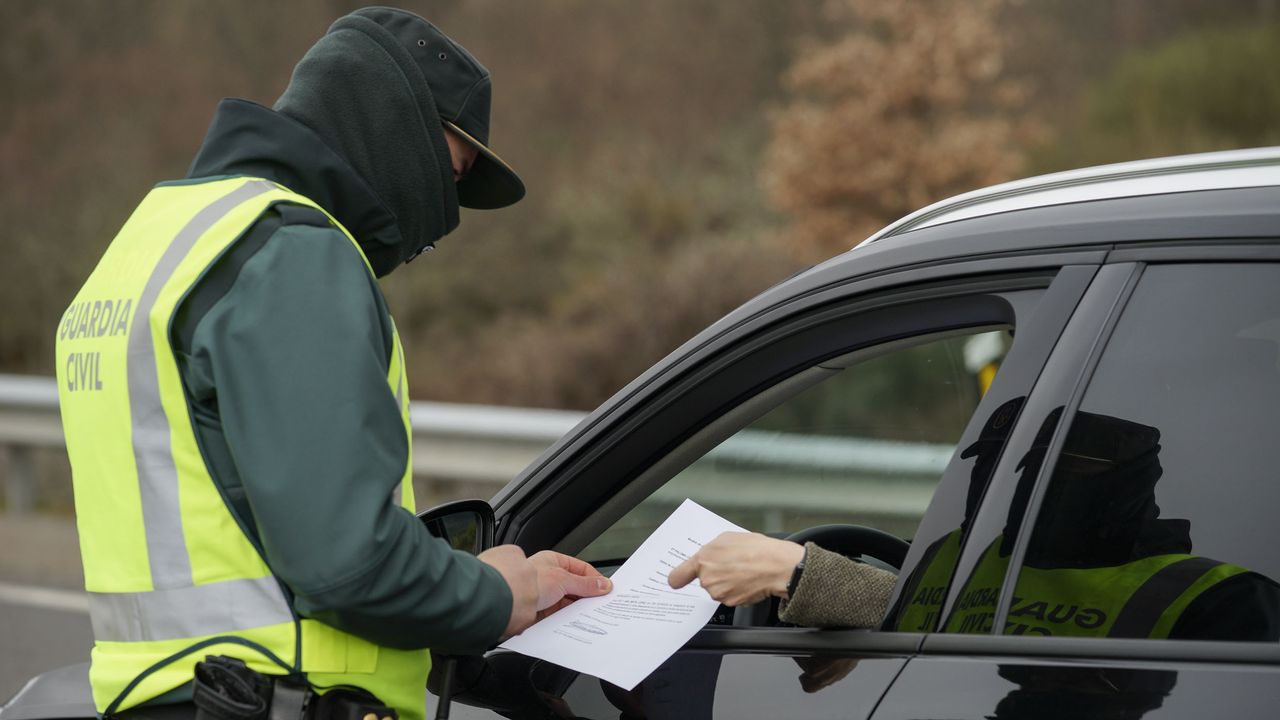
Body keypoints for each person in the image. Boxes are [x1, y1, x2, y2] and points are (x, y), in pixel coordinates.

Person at [54, 8, 609, 720]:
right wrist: (503, 594)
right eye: (451, 165)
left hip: (160, 694)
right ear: (389, 123)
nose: (443, 213)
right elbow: (348, 563)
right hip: (277, 698)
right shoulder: (291, 254)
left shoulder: (151, 245)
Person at [669, 406, 1280, 641]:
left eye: (1049, 471)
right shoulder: (960, 549)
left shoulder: (1222, 599)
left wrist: (805, 574)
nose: (1008, 487)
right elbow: (931, 624)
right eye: (994, 466)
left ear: (1130, 485)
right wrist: (863, 637)